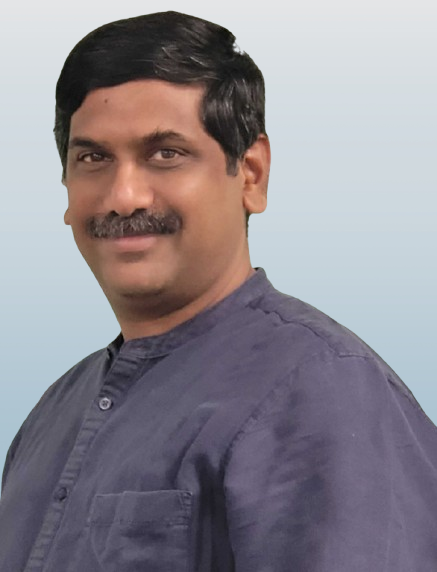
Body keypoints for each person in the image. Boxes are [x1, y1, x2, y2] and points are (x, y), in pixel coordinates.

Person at [0, 10, 436, 571]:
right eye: (93, 158)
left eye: (166, 153)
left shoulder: (320, 391)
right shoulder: (52, 415)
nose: (124, 196)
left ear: (251, 174)